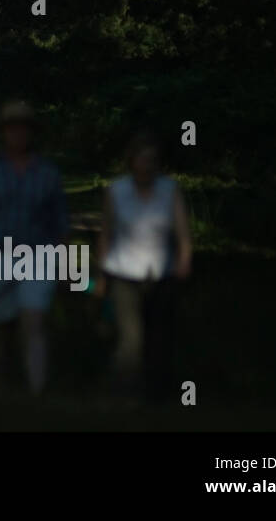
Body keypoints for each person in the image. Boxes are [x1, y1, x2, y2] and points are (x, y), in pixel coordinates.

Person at [0, 100, 68, 395]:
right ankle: (0, 384)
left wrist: (65, 265)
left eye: (23, 129)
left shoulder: (48, 173)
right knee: (0, 326)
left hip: (37, 255)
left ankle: (36, 388)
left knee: (34, 320)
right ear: (3, 132)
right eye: (12, 129)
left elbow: (60, 224)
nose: (18, 135)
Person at [95, 131, 192, 402]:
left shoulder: (170, 190)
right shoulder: (116, 191)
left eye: (152, 160)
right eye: (142, 159)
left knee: (160, 339)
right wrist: (101, 276)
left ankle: (157, 397)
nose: (147, 165)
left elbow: (182, 232)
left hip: (161, 274)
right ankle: (123, 395)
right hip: (124, 273)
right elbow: (106, 234)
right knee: (131, 340)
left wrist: (184, 259)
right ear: (132, 161)